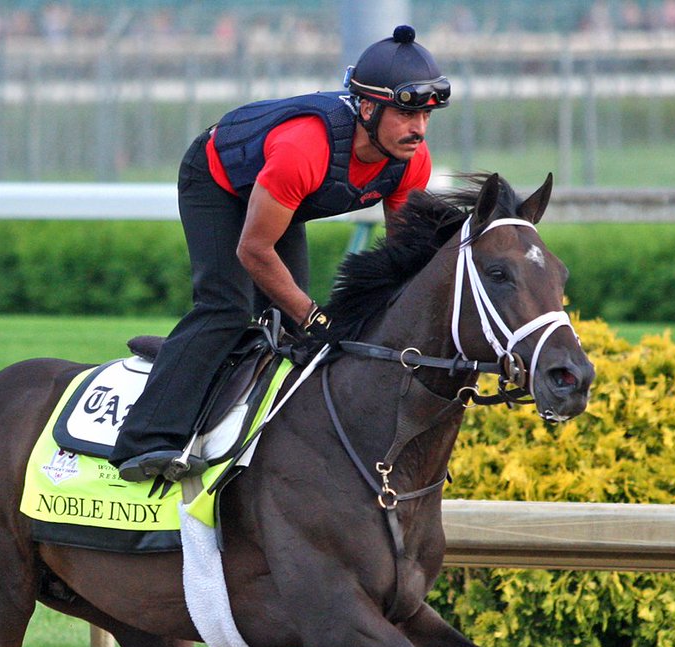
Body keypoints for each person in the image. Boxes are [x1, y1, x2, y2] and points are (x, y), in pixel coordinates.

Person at [110, 24, 450, 482]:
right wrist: (316, 316)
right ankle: (144, 440)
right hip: (218, 183)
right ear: (367, 107)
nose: (419, 130)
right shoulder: (304, 150)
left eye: (427, 117)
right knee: (228, 308)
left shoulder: (411, 160)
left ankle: (285, 437)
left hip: (277, 200)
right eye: (408, 116)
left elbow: (401, 257)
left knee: (294, 327)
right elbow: (253, 250)